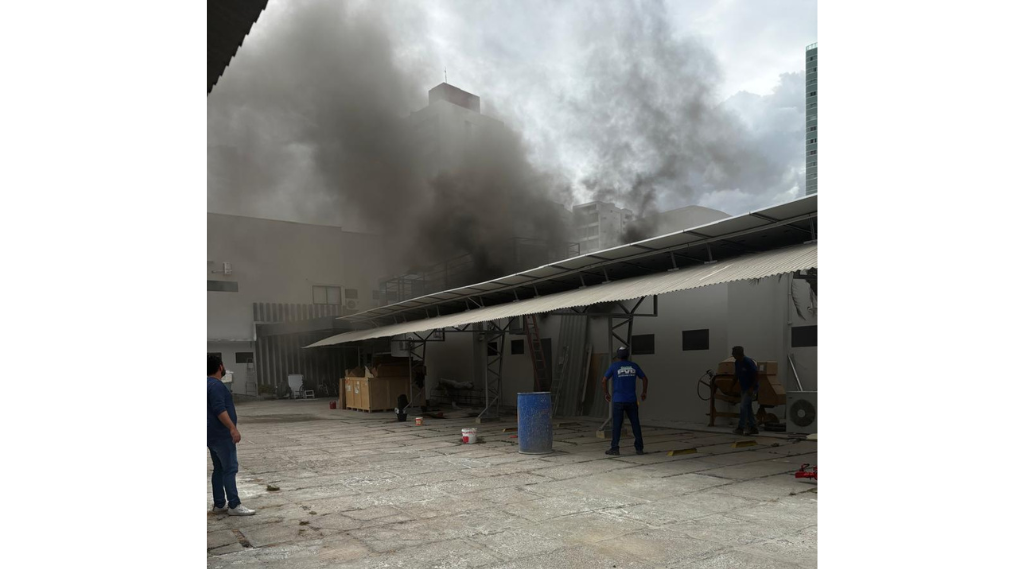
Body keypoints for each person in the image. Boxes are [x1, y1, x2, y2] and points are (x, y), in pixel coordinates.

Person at [207, 355, 256, 516]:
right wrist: (232, 428)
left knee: (219, 469)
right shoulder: (217, 386)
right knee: (230, 468)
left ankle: (219, 504)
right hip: (221, 434)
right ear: (220, 367)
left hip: (210, 434)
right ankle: (234, 504)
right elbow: (219, 409)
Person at [602, 347, 647, 455]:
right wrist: (644, 392)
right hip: (632, 400)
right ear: (628, 355)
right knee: (635, 424)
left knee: (617, 425)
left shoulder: (614, 366)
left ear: (618, 356)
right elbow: (645, 378)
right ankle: (639, 448)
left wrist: (606, 394)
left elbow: (604, 380)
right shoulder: (634, 366)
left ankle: (615, 448)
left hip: (618, 401)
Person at [731, 346, 760, 436]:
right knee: (748, 408)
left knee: (743, 406)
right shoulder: (737, 362)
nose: (732, 355)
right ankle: (753, 427)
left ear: (738, 354)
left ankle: (741, 428)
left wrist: (752, 388)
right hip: (744, 388)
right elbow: (736, 375)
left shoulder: (748, 362)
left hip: (751, 389)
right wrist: (730, 386)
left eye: (733, 353)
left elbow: (756, 375)